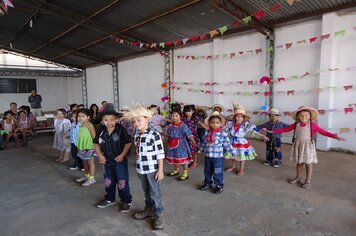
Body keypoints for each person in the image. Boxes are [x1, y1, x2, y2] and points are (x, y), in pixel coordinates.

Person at [268, 105, 346, 189]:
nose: (304, 117)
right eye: (301, 115)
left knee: (308, 164)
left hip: (308, 147)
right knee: (299, 163)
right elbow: (286, 129)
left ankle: (308, 181)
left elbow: (323, 132)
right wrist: (273, 131)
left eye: (306, 115)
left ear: (310, 117)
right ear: (298, 116)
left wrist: (335, 136)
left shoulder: (313, 125)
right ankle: (298, 177)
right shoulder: (296, 124)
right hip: (298, 146)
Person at [123, 104, 165, 230]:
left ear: (147, 119)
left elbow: (160, 153)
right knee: (146, 191)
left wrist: (160, 170)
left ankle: (158, 213)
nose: (136, 123)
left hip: (152, 169)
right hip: (141, 169)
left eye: (139, 120)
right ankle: (149, 209)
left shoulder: (154, 135)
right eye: (134, 121)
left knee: (155, 192)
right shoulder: (136, 135)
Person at [94, 111, 132, 212]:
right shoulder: (101, 130)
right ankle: (110, 199)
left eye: (112, 120)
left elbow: (128, 143)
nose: (109, 122)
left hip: (119, 160)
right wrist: (100, 155)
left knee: (122, 181)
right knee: (108, 181)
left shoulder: (121, 130)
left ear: (116, 120)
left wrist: (122, 155)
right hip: (106, 160)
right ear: (102, 121)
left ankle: (126, 201)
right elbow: (96, 143)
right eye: (106, 120)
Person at [225, 104, 269, 176]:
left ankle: (241, 169)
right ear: (235, 117)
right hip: (232, 141)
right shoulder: (230, 124)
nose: (239, 118)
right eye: (237, 116)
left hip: (241, 142)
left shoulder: (246, 125)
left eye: (241, 117)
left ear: (244, 118)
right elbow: (223, 129)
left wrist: (263, 136)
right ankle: (233, 167)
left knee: (242, 155)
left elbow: (253, 131)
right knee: (233, 154)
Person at [200, 111, 235, 194]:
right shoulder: (207, 133)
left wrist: (233, 153)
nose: (214, 124)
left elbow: (227, 144)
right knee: (207, 171)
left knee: (218, 171)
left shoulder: (222, 134)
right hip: (208, 156)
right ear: (209, 123)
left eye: (217, 123)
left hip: (218, 157)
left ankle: (219, 185)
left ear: (220, 124)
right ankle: (207, 183)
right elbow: (204, 143)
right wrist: (200, 149)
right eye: (212, 123)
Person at [166, 109, 197, 181]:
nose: (174, 117)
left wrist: (194, 142)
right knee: (174, 157)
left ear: (180, 116)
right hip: (172, 143)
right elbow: (168, 134)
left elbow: (189, 134)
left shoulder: (183, 126)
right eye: (173, 116)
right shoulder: (170, 125)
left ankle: (185, 174)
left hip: (181, 144)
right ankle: (175, 170)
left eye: (176, 116)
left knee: (184, 159)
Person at [75, 108, 97, 187]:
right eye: (79, 116)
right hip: (82, 146)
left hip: (89, 147)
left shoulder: (89, 125)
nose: (80, 118)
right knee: (85, 162)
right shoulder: (80, 124)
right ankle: (86, 175)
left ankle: (91, 178)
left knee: (90, 163)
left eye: (83, 116)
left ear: (88, 117)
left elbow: (94, 137)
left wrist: (96, 148)